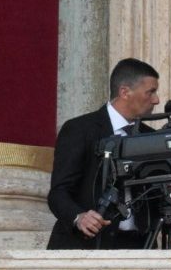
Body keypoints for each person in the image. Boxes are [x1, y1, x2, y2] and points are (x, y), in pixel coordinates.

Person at [47, 58, 162, 249]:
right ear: (124, 92)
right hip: (85, 245)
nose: (156, 100)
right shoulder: (80, 129)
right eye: (150, 92)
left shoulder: (151, 137)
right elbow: (58, 192)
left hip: (139, 247)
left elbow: (153, 199)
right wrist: (79, 217)